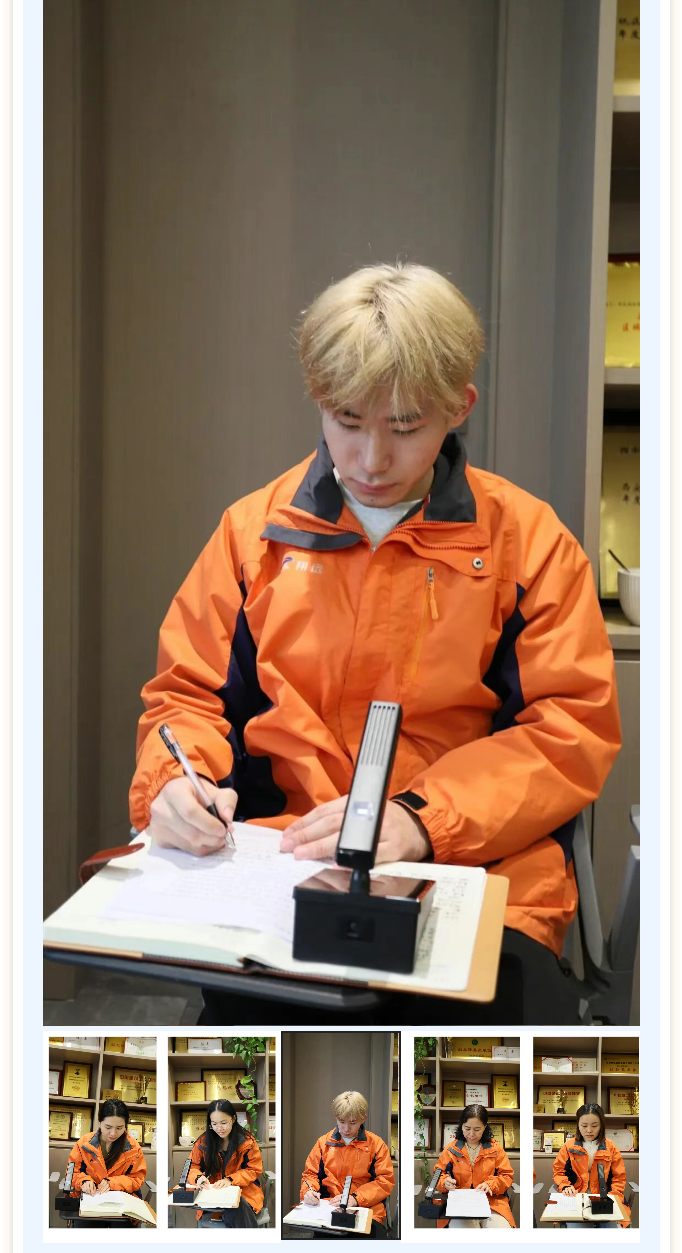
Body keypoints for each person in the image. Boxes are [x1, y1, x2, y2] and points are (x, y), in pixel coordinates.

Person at [130, 262, 621, 1025]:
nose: (370, 459)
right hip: (282, 866)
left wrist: (425, 819)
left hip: (477, 870)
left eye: (406, 426)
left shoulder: (530, 545)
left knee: (460, 1060)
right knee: (251, 1046)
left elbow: (569, 730)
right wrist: (173, 782)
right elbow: (186, 699)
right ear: (319, 399)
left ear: (459, 408)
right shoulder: (252, 536)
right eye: (348, 420)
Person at [299, 1090, 394, 1239]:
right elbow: (310, 1175)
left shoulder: (377, 1145)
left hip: (366, 1208)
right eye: (342, 1121)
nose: (346, 1129)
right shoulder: (323, 1143)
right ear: (336, 1117)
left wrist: (356, 1198)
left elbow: (384, 1181)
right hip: (329, 1209)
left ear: (363, 1119)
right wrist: (308, 1191)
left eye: (353, 1123)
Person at [66, 1099, 147, 1227]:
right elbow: (72, 1173)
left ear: (126, 1125)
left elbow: (137, 1178)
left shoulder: (133, 1148)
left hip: (122, 1202)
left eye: (119, 1128)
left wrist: (113, 1183)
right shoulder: (84, 1144)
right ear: (100, 1121)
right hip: (89, 1201)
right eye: (108, 1127)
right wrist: (84, 1181)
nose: (113, 1133)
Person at [433, 1104, 515, 1229]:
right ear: (462, 1126)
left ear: (485, 1127)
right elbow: (438, 1175)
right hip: (460, 1203)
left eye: (477, 1129)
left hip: (492, 1202)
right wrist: (445, 1182)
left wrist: (491, 1185)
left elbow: (507, 1176)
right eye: (467, 1128)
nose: (471, 1134)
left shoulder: (495, 1149)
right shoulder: (451, 1149)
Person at [185, 1099, 263, 1227]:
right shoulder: (203, 1142)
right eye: (214, 1124)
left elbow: (253, 1170)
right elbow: (192, 1166)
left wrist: (230, 1180)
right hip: (212, 1190)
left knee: (237, 1204)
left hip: (243, 1191)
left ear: (233, 1119)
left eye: (224, 1123)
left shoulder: (247, 1142)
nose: (219, 1128)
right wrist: (198, 1178)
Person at [552, 1103, 630, 1229]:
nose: (589, 1130)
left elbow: (619, 1177)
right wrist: (565, 1185)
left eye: (594, 1126)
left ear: (601, 1125)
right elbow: (559, 1171)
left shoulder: (610, 1147)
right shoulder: (569, 1146)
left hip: (604, 1198)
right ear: (578, 1124)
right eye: (584, 1125)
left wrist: (612, 1196)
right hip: (576, 1198)